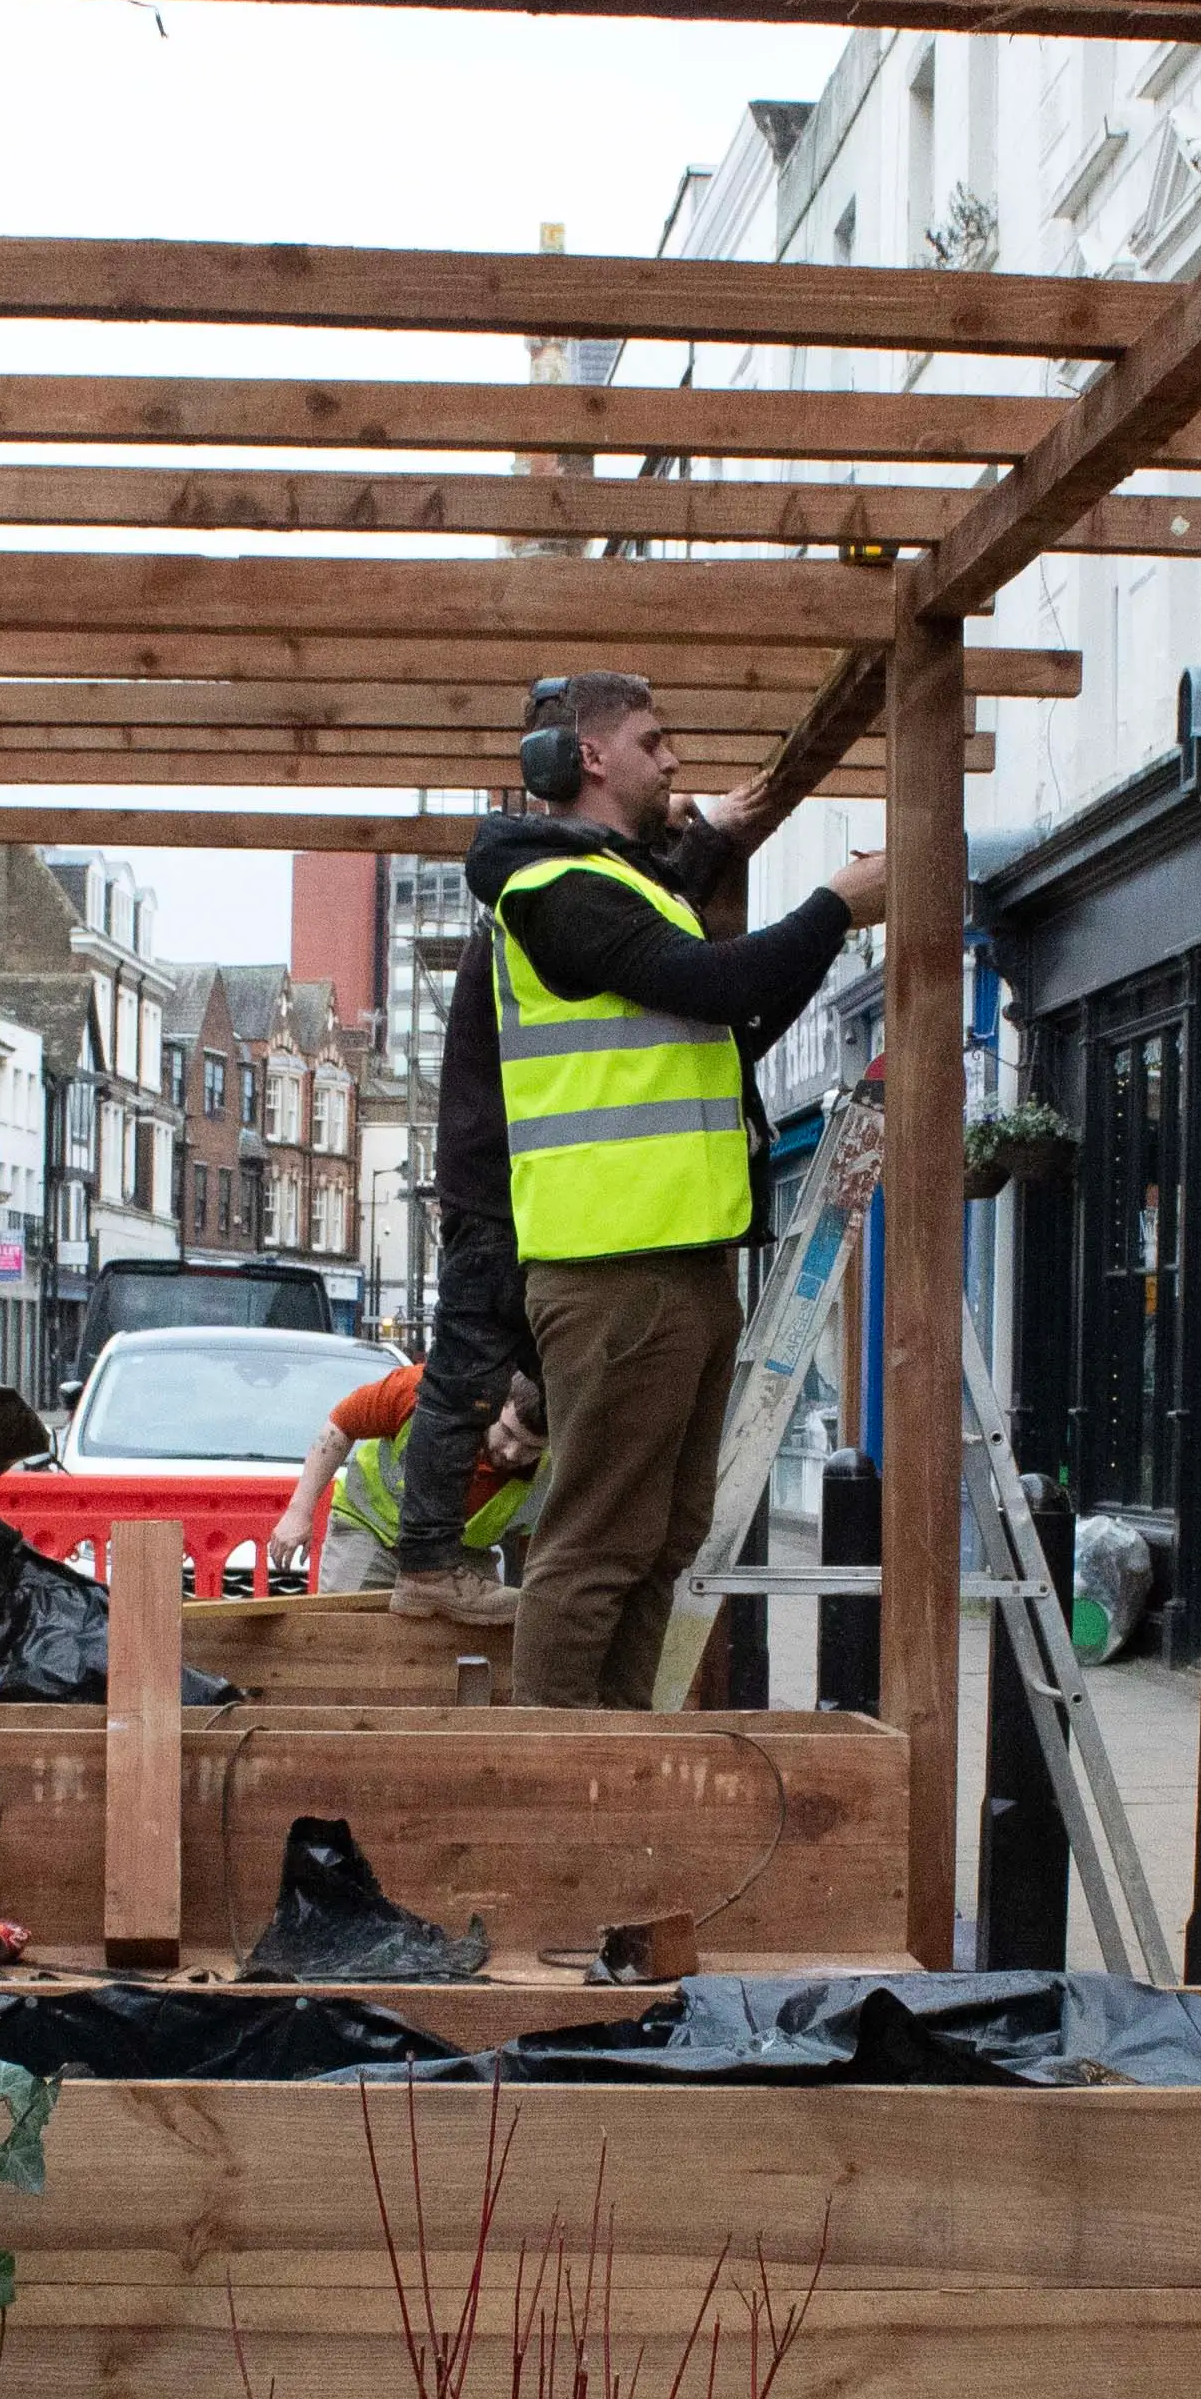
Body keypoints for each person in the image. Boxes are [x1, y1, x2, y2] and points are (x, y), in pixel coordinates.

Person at [472, 669, 886, 1709]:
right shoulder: (552, 890)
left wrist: (816, 922)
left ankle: (615, 1766)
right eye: (655, 742)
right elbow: (727, 984)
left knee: (661, 1541)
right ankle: (558, 1793)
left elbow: (732, 1023)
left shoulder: (629, 887)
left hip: (675, 1263)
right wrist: (837, 906)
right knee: (598, 1544)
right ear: (589, 760)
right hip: (617, 1266)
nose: (675, 762)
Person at [269, 1361, 544, 1596]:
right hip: (373, 1532)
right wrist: (299, 1513)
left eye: (531, 1448)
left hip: (461, 1553)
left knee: (477, 1640)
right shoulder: (424, 1391)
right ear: (494, 1404)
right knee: (348, 1635)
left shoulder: (560, 1463)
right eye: (508, 1433)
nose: (512, 1453)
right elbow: (341, 1425)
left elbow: (538, 1549)